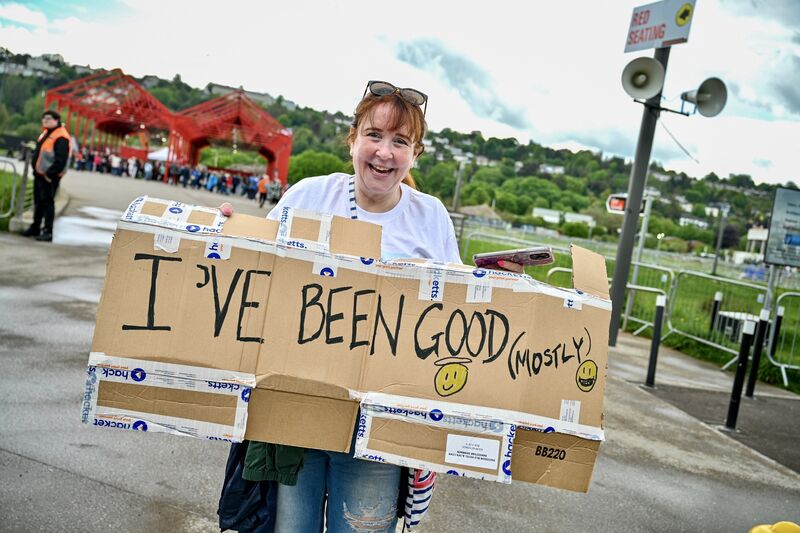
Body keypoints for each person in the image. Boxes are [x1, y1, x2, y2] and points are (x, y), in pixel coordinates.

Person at [216, 81, 522, 533]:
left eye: (400, 142)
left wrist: (498, 286)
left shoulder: (430, 216)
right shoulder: (308, 196)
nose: (384, 152)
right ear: (353, 139)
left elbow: (456, 312)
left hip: (378, 425)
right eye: (374, 136)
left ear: (415, 154)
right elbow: (255, 273)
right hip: (295, 412)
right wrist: (225, 236)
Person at [22, 110, 72, 242]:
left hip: (49, 176)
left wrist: (50, 174)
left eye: (49, 118)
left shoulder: (61, 136)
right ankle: (35, 227)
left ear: (56, 120)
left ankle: (48, 231)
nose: (45, 120)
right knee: (38, 202)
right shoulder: (46, 132)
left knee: (48, 203)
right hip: (40, 174)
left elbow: (61, 159)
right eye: (44, 118)